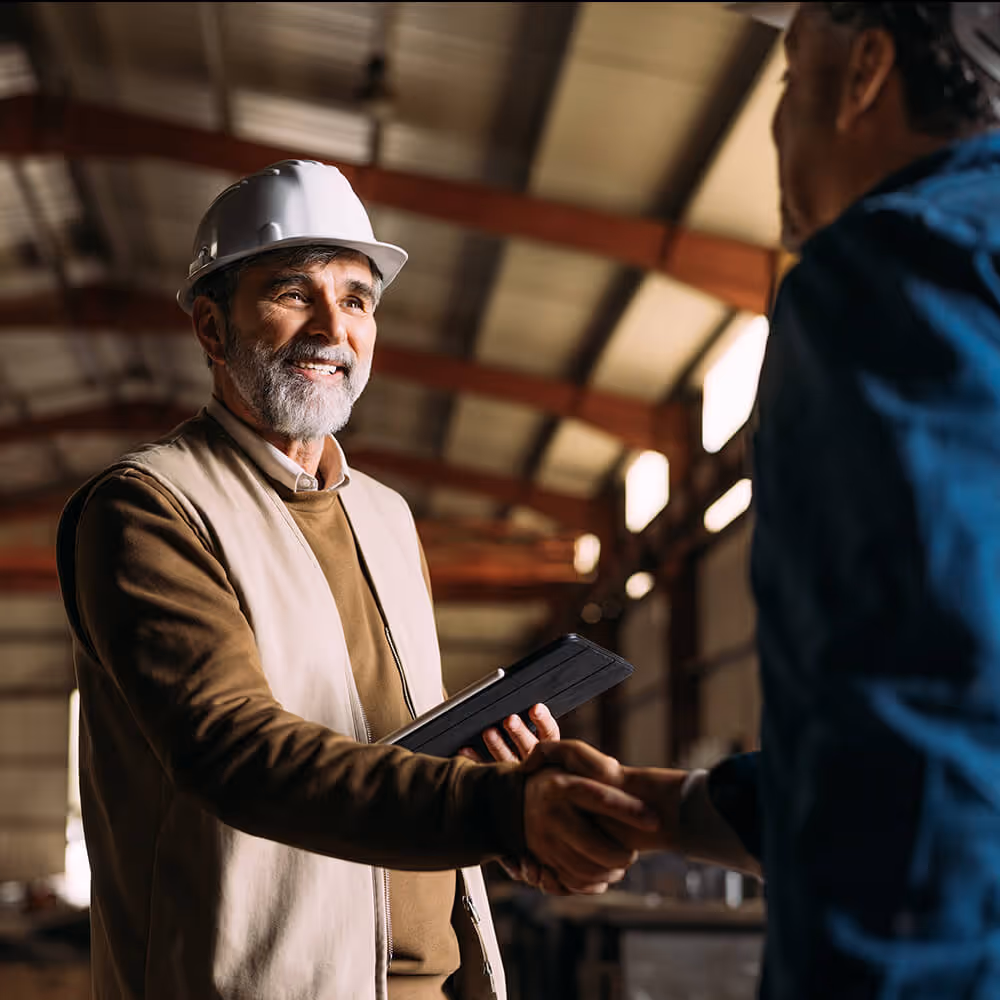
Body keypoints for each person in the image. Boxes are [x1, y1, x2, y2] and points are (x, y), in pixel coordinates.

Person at [54, 159, 658, 1000]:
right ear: (210, 326)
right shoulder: (148, 509)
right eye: (294, 293)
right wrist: (496, 811)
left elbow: (394, 747)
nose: (331, 329)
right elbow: (237, 753)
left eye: (357, 299)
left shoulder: (385, 516)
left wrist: (513, 802)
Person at [531, 2, 1000, 997]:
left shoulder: (891, 267)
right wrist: (677, 809)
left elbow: (923, 726)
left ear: (866, 71)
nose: (777, 123)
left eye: (789, 78)